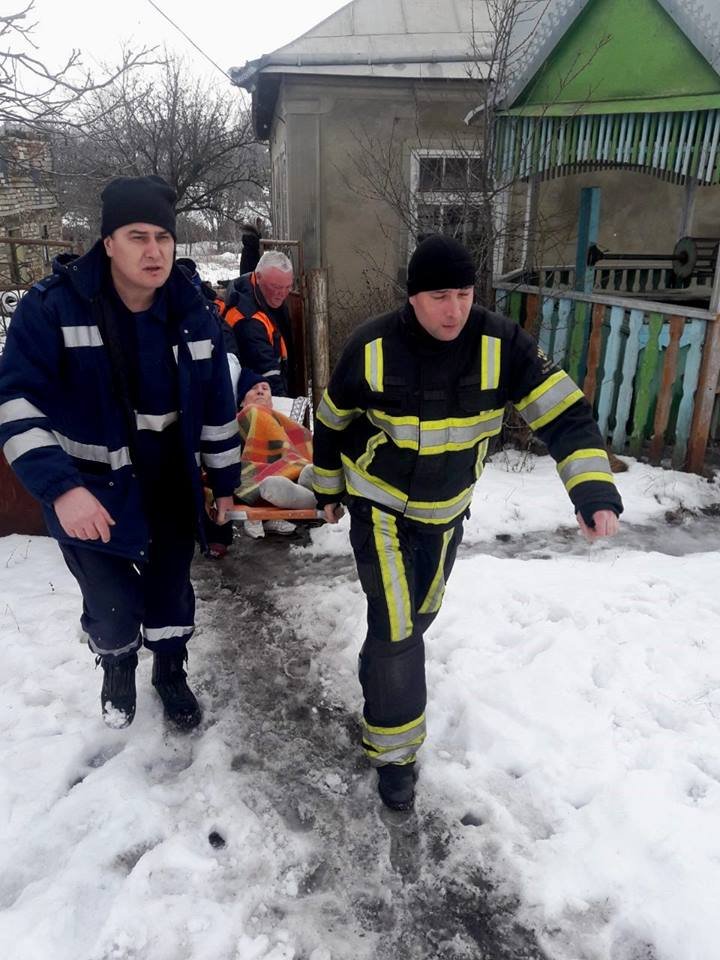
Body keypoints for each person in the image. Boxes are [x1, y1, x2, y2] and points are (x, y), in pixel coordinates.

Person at [312, 234, 623, 811]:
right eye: (438, 296)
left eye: (462, 293)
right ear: (413, 298)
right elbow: (332, 421)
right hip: (378, 511)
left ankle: (381, 672)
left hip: (446, 517)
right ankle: (395, 758)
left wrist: (592, 490)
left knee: (410, 624)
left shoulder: (501, 344)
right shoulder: (372, 346)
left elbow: (565, 414)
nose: (453, 309)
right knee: (401, 627)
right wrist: (327, 485)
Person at [0, 175, 241, 730]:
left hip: (169, 487)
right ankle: (116, 662)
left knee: (171, 596)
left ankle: (170, 671)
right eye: (137, 236)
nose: (153, 251)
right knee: (111, 610)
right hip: (89, 492)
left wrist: (224, 485)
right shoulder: (53, 308)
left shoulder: (192, 310)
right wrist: (62, 490)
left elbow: (215, 406)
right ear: (108, 242)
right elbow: (14, 402)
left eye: (163, 236)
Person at [235, 375, 315, 539]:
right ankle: (299, 486)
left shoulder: (281, 420)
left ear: (271, 400)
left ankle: (301, 487)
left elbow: (305, 439)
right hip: (259, 472)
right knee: (255, 414)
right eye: (254, 388)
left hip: (295, 470)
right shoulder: (245, 414)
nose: (260, 391)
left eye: (265, 388)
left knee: (304, 441)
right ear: (242, 401)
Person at [223, 250, 294, 396]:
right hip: (256, 396)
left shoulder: (255, 287)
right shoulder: (248, 322)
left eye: (288, 287)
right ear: (259, 277)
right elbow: (268, 375)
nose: (283, 293)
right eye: (276, 287)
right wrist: (283, 410)